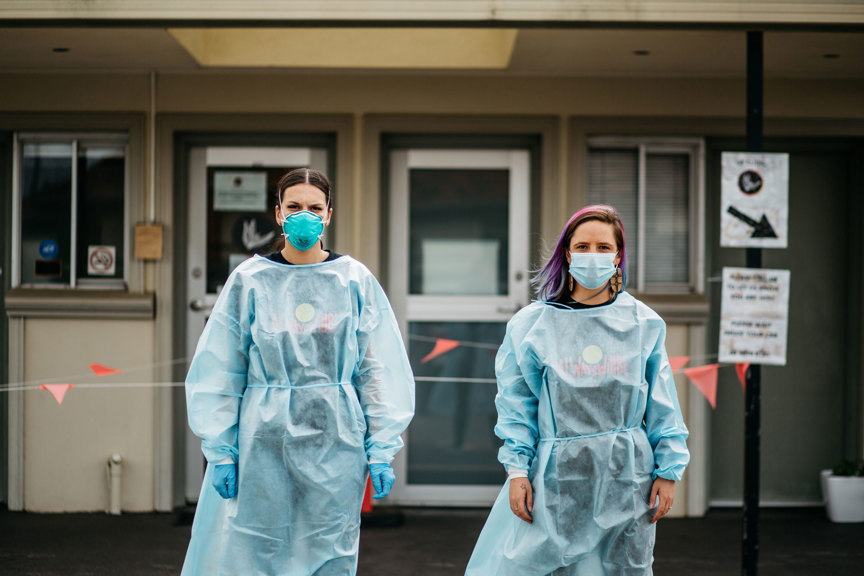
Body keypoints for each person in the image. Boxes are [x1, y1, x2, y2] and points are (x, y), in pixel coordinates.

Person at [182, 167, 415, 576]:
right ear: (277, 213)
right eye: (293, 206)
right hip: (264, 440)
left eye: (313, 207)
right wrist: (221, 450)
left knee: (329, 549)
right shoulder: (250, 280)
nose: (303, 215)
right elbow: (221, 369)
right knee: (258, 548)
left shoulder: (353, 280)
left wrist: (381, 447)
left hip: (337, 439)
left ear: (328, 215)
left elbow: (377, 367)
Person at [465, 205, 689, 575]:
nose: (593, 255)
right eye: (582, 246)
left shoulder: (643, 324)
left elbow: (663, 404)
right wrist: (517, 472)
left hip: (626, 478)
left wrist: (669, 470)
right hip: (555, 478)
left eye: (604, 248)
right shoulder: (533, 326)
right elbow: (517, 406)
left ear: (619, 257)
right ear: (567, 254)